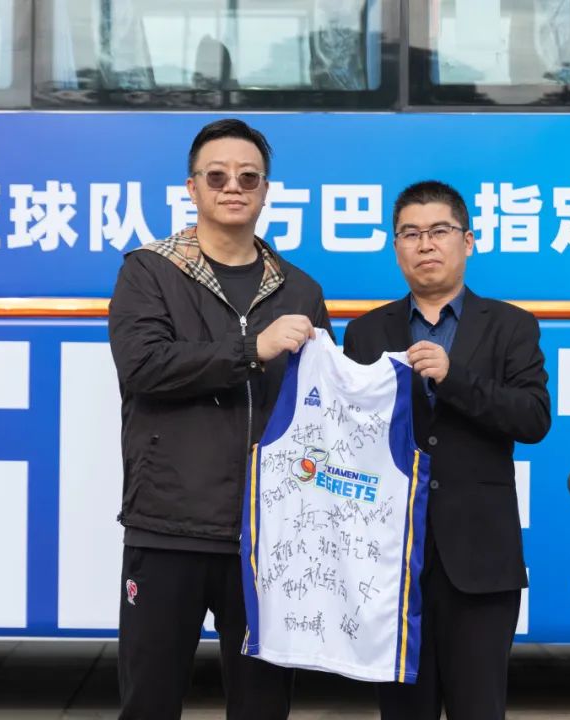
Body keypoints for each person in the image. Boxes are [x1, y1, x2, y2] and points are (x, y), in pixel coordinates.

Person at [108, 118, 331, 720]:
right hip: (169, 526)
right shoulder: (148, 271)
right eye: (217, 176)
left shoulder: (300, 289)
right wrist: (252, 349)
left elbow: (321, 408)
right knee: (149, 702)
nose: (233, 187)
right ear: (193, 187)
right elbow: (143, 367)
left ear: (266, 190)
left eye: (248, 177)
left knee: (263, 707)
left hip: (270, 536)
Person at [342, 180, 551, 720]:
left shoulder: (511, 326)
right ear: (396, 247)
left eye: (439, 230)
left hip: (480, 562)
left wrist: (454, 378)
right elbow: (348, 439)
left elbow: (533, 419)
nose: (425, 244)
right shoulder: (365, 332)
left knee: (479, 708)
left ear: (468, 240)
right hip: (390, 567)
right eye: (410, 234)